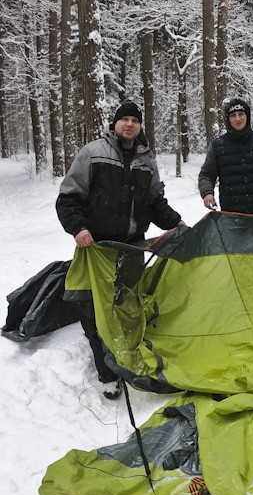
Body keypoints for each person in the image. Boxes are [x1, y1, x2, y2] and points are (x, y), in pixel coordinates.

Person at [56, 100, 185, 399]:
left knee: (126, 305)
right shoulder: (93, 153)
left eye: (134, 120)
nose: (129, 124)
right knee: (92, 306)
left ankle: (124, 356)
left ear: (140, 126)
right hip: (97, 248)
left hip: (131, 247)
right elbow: (68, 198)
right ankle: (106, 370)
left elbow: (154, 203)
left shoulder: (146, 160)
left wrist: (175, 222)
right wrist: (79, 228)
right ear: (114, 124)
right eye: (124, 119)